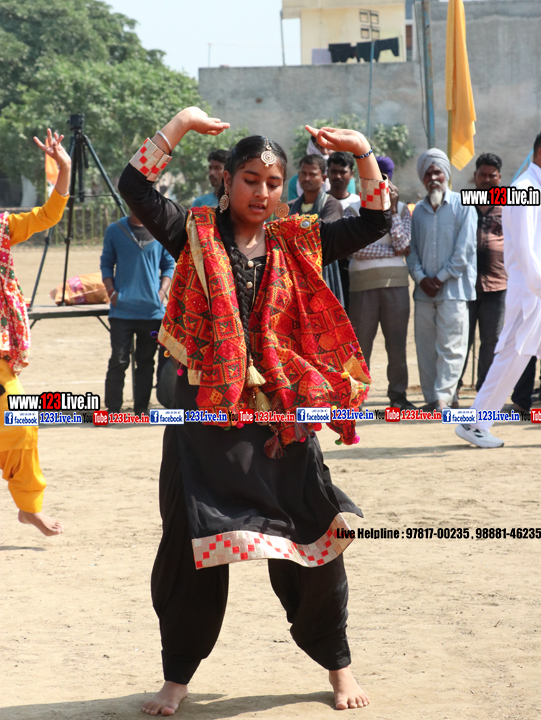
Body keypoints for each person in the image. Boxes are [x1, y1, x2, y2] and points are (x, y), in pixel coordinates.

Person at [118, 105, 391, 715]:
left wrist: (362, 149)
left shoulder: (300, 241)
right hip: (206, 423)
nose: (261, 192)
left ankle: (338, 664)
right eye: (250, 179)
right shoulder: (193, 232)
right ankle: (176, 676)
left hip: (279, 420)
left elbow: (377, 220)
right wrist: (180, 125)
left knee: (317, 534)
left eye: (272, 182)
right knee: (192, 544)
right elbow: (135, 185)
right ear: (228, 179)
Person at [0, 129, 70, 536]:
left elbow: (47, 216)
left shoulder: (3, 228)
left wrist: (65, 167)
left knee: (22, 423)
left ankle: (29, 507)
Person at [456, 133, 541, 448]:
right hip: (530, 294)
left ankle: (476, 421)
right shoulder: (524, 190)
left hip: (534, 291)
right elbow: (525, 252)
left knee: (513, 358)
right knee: (510, 358)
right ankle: (475, 422)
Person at [407, 148, 477, 410]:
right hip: (424, 292)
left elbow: (465, 250)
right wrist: (421, 278)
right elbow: (412, 251)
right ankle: (432, 399)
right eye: (428, 173)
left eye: (437, 172)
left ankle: (444, 398)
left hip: (454, 290)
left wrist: (440, 278)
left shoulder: (463, 205)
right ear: (422, 178)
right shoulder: (418, 211)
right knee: (426, 349)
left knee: (452, 347)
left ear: (446, 173)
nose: (433, 177)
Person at [348, 155, 415, 410]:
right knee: (359, 347)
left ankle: (398, 396)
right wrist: (392, 252)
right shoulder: (353, 208)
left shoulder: (402, 209)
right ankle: (355, 398)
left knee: (397, 345)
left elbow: (404, 244)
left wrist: (393, 210)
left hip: (395, 285)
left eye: (383, 178)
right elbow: (355, 249)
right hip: (362, 285)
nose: (378, 183)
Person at [101, 213, 175, 416]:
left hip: (152, 314)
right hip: (121, 313)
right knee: (118, 361)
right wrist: (111, 293)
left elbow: (169, 264)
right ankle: (113, 408)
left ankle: (141, 408)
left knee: (146, 361)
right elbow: (106, 263)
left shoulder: (160, 232)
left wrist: (161, 293)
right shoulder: (115, 230)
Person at [459, 153, 507, 392]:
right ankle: (453, 389)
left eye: (492, 175)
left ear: (500, 177)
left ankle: (484, 392)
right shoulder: (462, 203)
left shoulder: (510, 205)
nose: (487, 180)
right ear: (475, 176)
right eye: (482, 175)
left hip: (498, 285)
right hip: (464, 286)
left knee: (491, 340)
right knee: (461, 340)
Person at [289, 154, 345, 305]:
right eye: (303, 173)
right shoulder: (290, 206)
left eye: (312, 174)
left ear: (323, 178)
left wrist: (292, 228)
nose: (307, 178)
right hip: (293, 277)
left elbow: (323, 233)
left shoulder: (331, 205)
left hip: (322, 274)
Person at [287, 136, 357, 202]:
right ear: (312, 147)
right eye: (319, 147)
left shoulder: (345, 179)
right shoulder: (295, 182)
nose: (325, 152)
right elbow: (293, 208)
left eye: (329, 147)